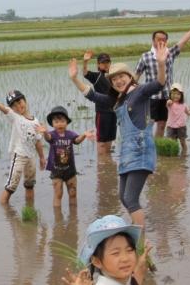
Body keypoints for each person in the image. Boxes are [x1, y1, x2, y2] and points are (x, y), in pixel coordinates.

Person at [70, 53, 166, 226]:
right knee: (123, 197)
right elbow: (92, 95)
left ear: (130, 77)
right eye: (114, 79)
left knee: (130, 198)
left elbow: (159, 83)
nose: (118, 81)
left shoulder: (140, 92)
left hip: (141, 151)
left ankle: (140, 241)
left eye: (121, 76)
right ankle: (137, 227)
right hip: (127, 153)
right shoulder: (117, 101)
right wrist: (75, 79)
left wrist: (161, 64)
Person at [135, 11, 190, 137]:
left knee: (162, 125)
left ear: (166, 41)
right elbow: (136, 77)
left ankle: (157, 149)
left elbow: (184, 40)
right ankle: (147, 149)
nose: (161, 41)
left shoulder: (170, 53)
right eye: (158, 39)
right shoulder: (145, 57)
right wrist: (135, 95)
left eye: (163, 39)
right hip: (151, 98)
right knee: (149, 125)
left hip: (167, 97)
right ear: (153, 40)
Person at [0, 90, 46, 205]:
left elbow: (38, 141)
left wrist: (42, 157)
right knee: (12, 184)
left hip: (31, 157)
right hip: (19, 155)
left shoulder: (36, 121)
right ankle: (4, 208)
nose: (18, 106)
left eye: (19, 102)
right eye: (14, 105)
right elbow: (4, 109)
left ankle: (30, 208)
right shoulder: (15, 117)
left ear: (25, 100)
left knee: (30, 184)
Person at [39, 106, 93, 209]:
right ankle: (58, 219)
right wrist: (45, 132)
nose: (60, 124)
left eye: (62, 121)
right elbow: (47, 138)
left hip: (70, 170)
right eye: (56, 121)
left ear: (67, 122)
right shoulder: (52, 135)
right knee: (58, 194)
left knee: (73, 194)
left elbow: (77, 140)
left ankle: (73, 218)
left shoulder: (70, 134)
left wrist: (84, 135)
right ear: (52, 124)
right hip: (56, 171)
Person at [82, 51, 116, 155]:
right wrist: (85, 62)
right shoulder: (97, 76)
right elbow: (85, 73)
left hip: (114, 112)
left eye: (107, 62)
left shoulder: (115, 76)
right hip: (102, 113)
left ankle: (108, 162)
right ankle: (101, 163)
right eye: (103, 62)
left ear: (110, 63)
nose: (105, 64)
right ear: (98, 64)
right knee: (101, 141)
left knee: (110, 139)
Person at [165, 83, 190, 156]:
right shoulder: (170, 104)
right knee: (173, 143)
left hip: (181, 127)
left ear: (181, 95)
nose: (176, 96)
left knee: (183, 142)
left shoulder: (184, 105)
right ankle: (174, 157)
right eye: (174, 94)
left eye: (178, 94)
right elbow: (167, 103)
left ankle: (184, 155)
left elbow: (189, 112)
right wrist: (168, 101)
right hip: (171, 127)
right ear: (170, 94)